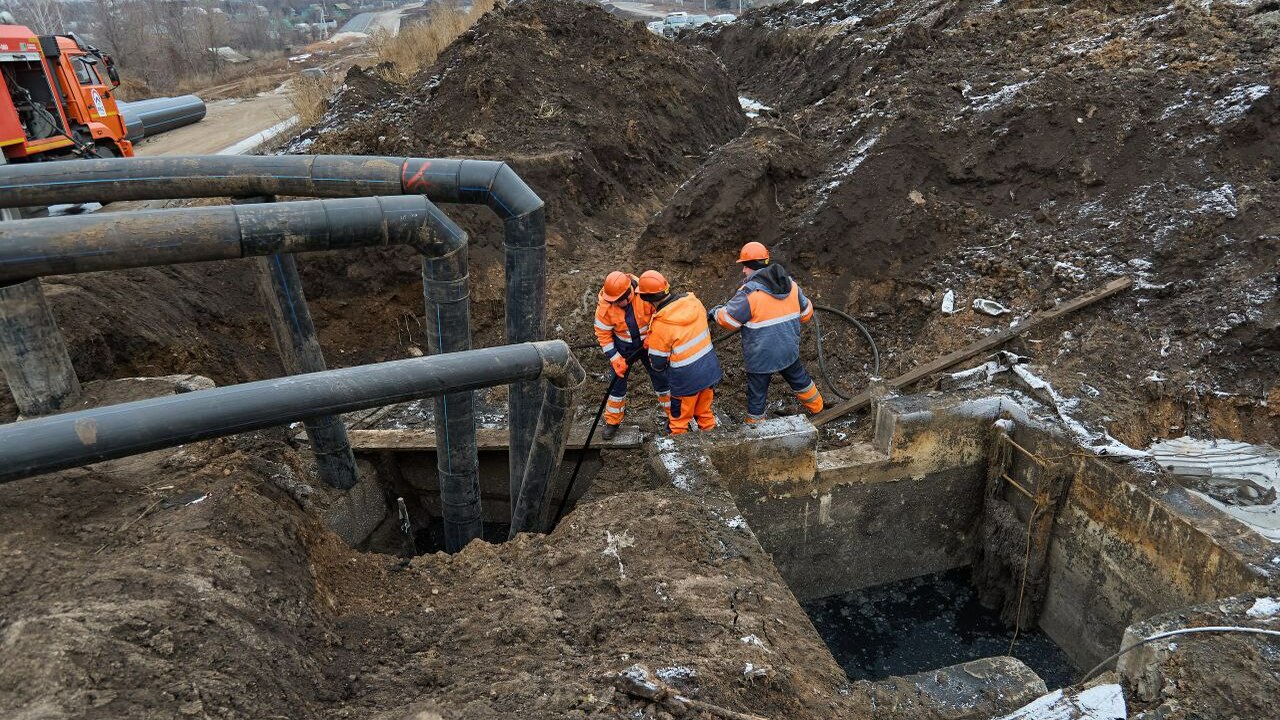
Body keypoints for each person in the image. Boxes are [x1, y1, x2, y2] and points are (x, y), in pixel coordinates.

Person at [712, 241, 823, 424]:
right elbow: (806, 314)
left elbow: (729, 321)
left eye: (745, 266)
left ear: (752, 266)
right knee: (801, 381)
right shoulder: (790, 285)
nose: (743, 271)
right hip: (788, 350)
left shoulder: (749, 294)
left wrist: (715, 312)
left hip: (761, 357)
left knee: (757, 396)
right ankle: (818, 407)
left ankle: (756, 429)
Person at [639, 270, 721, 435]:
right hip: (710, 372)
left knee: (678, 422)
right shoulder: (694, 302)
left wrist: (653, 341)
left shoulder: (660, 325)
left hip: (686, 383)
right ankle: (715, 445)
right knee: (704, 414)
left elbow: (657, 364)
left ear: (646, 298)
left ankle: (683, 455)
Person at [593, 271, 670, 439]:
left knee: (661, 377)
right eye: (615, 301)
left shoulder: (645, 293)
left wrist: (653, 334)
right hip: (623, 347)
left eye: (622, 299)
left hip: (649, 343)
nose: (619, 303)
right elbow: (603, 334)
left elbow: (661, 314)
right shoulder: (605, 307)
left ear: (630, 292)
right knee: (617, 384)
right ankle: (613, 421)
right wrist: (614, 357)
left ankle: (674, 416)